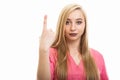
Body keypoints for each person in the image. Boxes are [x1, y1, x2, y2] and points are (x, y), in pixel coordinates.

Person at [37, 3, 108, 80]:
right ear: (61, 25)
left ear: (85, 25)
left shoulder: (98, 57)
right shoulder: (51, 54)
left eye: (78, 22)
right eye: (67, 22)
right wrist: (43, 50)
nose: (73, 28)